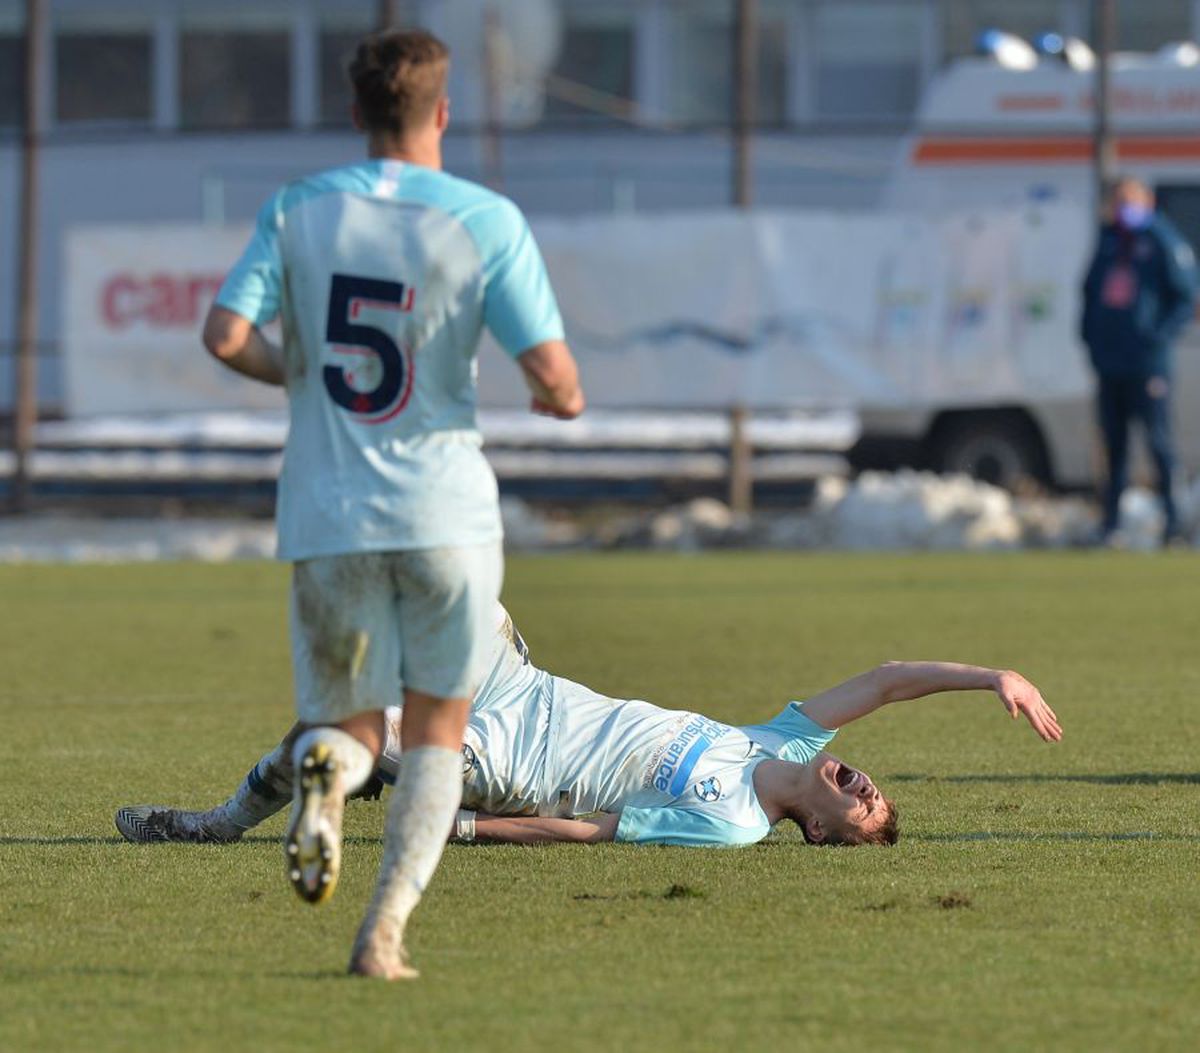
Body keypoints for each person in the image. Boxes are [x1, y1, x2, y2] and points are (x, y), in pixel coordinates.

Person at [201, 28, 584, 980]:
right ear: (444, 113)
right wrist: (556, 392)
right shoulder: (485, 219)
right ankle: (382, 936)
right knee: (438, 732)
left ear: (355, 114)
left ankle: (325, 781)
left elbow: (223, 335)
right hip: (446, 515)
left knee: (349, 724)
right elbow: (556, 377)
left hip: (330, 516)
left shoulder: (298, 209)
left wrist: (295, 369)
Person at [117, 605, 1061, 855]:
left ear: (815, 830)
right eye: (870, 788)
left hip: (514, 760)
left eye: (860, 812)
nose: (862, 790)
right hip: (521, 684)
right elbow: (890, 681)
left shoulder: (730, 820)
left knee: (327, 733)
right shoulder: (780, 740)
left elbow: (597, 829)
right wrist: (994, 676)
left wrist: (475, 827)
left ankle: (211, 822)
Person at [1081, 176, 1197, 546]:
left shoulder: (1162, 240)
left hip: (1147, 363)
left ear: (1146, 202)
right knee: (1113, 446)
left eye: (1129, 201)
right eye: (1118, 202)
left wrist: (1155, 336)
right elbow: (1088, 293)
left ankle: (1173, 522)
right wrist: (1091, 339)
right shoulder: (1109, 241)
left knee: (1158, 443)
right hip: (1110, 362)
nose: (1123, 209)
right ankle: (1110, 524)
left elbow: (1185, 298)